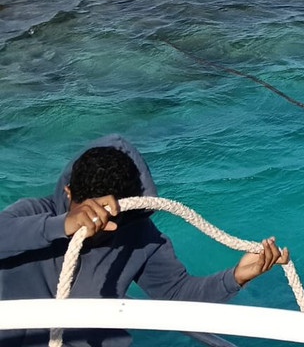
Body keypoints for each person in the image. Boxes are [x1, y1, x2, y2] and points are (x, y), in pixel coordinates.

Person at [0, 134, 289, 347]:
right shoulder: (32, 213)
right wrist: (61, 225)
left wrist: (235, 276)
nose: (96, 228)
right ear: (67, 192)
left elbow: (177, 296)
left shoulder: (138, 234)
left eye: (109, 219)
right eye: (87, 214)